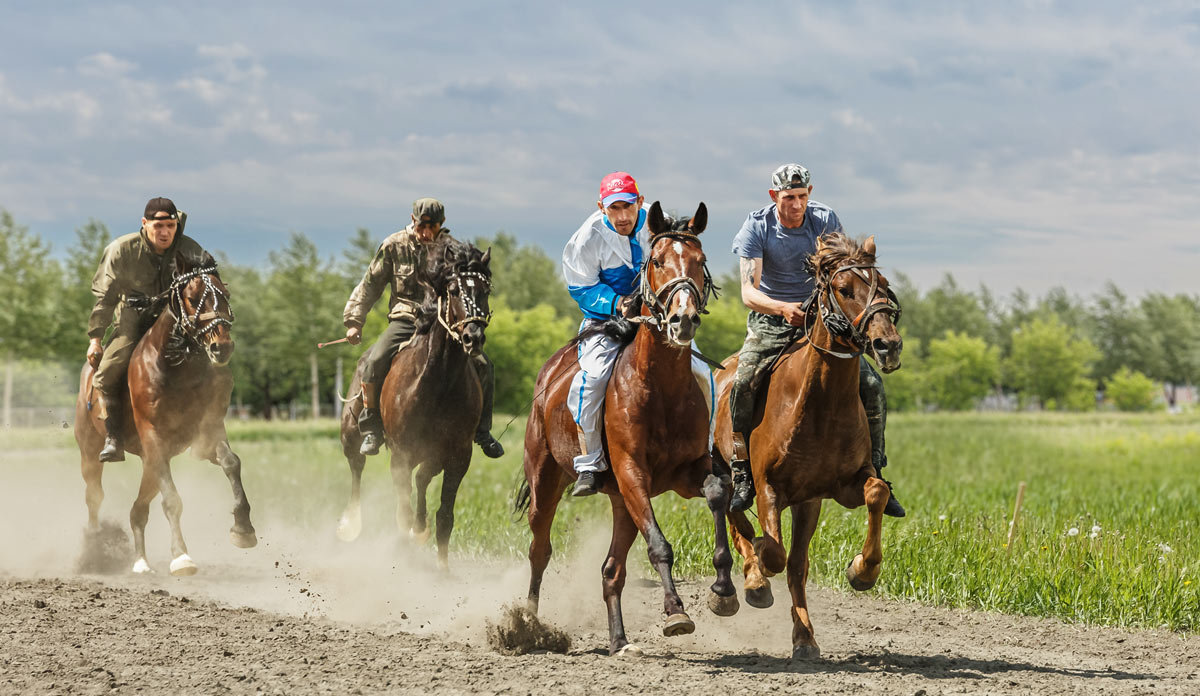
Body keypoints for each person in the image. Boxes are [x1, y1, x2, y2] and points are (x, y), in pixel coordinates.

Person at [728, 163, 905, 516]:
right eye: (788, 198)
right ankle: (741, 469)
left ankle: (878, 468)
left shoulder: (824, 219)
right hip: (770, 320)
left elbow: (839, 269)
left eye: (802, 197)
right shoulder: (757, 227)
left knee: (871, 386)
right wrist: (782, 308)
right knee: (743, 380)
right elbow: (749, 292)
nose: (796, 205)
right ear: (773, 196)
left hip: (819, 319)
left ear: (810, 193)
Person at [561, 172, 716, 496]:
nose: (622, 216)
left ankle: (710, 450)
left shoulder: (656, 228)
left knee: (704, 373)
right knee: (591, 377)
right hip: (604, 321)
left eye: (627, 207)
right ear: (601, 207)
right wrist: (617, 305)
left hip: (659, 321)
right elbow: (581, 287)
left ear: (640, 203)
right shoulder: (585, 239)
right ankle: (589, 462)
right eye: (614, 208)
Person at [343, 197, 504, 459]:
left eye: (434, 226)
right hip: (405, 319)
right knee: (374, 361)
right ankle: (372, 426)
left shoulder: (451, 249)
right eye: (423, 226)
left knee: (485, 365)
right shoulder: (393, 245)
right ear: (413, 219)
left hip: (443, 322)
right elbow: (370, 284)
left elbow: (466, 286)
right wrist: (354, 320)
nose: (427, 232)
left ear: (442, 224)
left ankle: (483, 432)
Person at [87, 197, 209, 462]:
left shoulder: (190, 250)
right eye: (158, 226)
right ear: (145, 224)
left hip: (176, 325)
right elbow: (105, 299)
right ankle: (114, 436)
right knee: (108, 371)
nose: (165, 232)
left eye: (170, 225)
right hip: (132, 322)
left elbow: (210, 281)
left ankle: (207, 433)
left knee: (212, 367)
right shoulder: (122, 250)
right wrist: (96, 339)